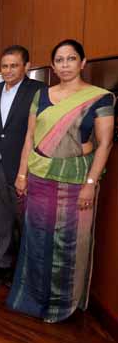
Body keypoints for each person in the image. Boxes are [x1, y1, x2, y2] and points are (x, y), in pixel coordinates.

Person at [7, 39, 114, 323]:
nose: (65, 65)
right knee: (37, 238)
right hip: (39, 177)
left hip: (75, 183)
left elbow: (104, 144)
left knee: (69, 244)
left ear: (83, 62)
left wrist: (91, 183)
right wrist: (22, 174)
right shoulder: (41, 95)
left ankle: (62, 306)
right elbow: (30, 137)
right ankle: (32, 298)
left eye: (71, 59)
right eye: (60, 60)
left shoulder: (99, 98)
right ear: (52, 65)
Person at [0, 45, 45, 284]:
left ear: (26, 67)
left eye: (14, 65)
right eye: (4, 66)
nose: (8, 70)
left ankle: (28, 270)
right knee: (2, 220)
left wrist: (27, 170)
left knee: (27, 222)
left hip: (25, 170)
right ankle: (2, 263)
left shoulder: (39, 92)